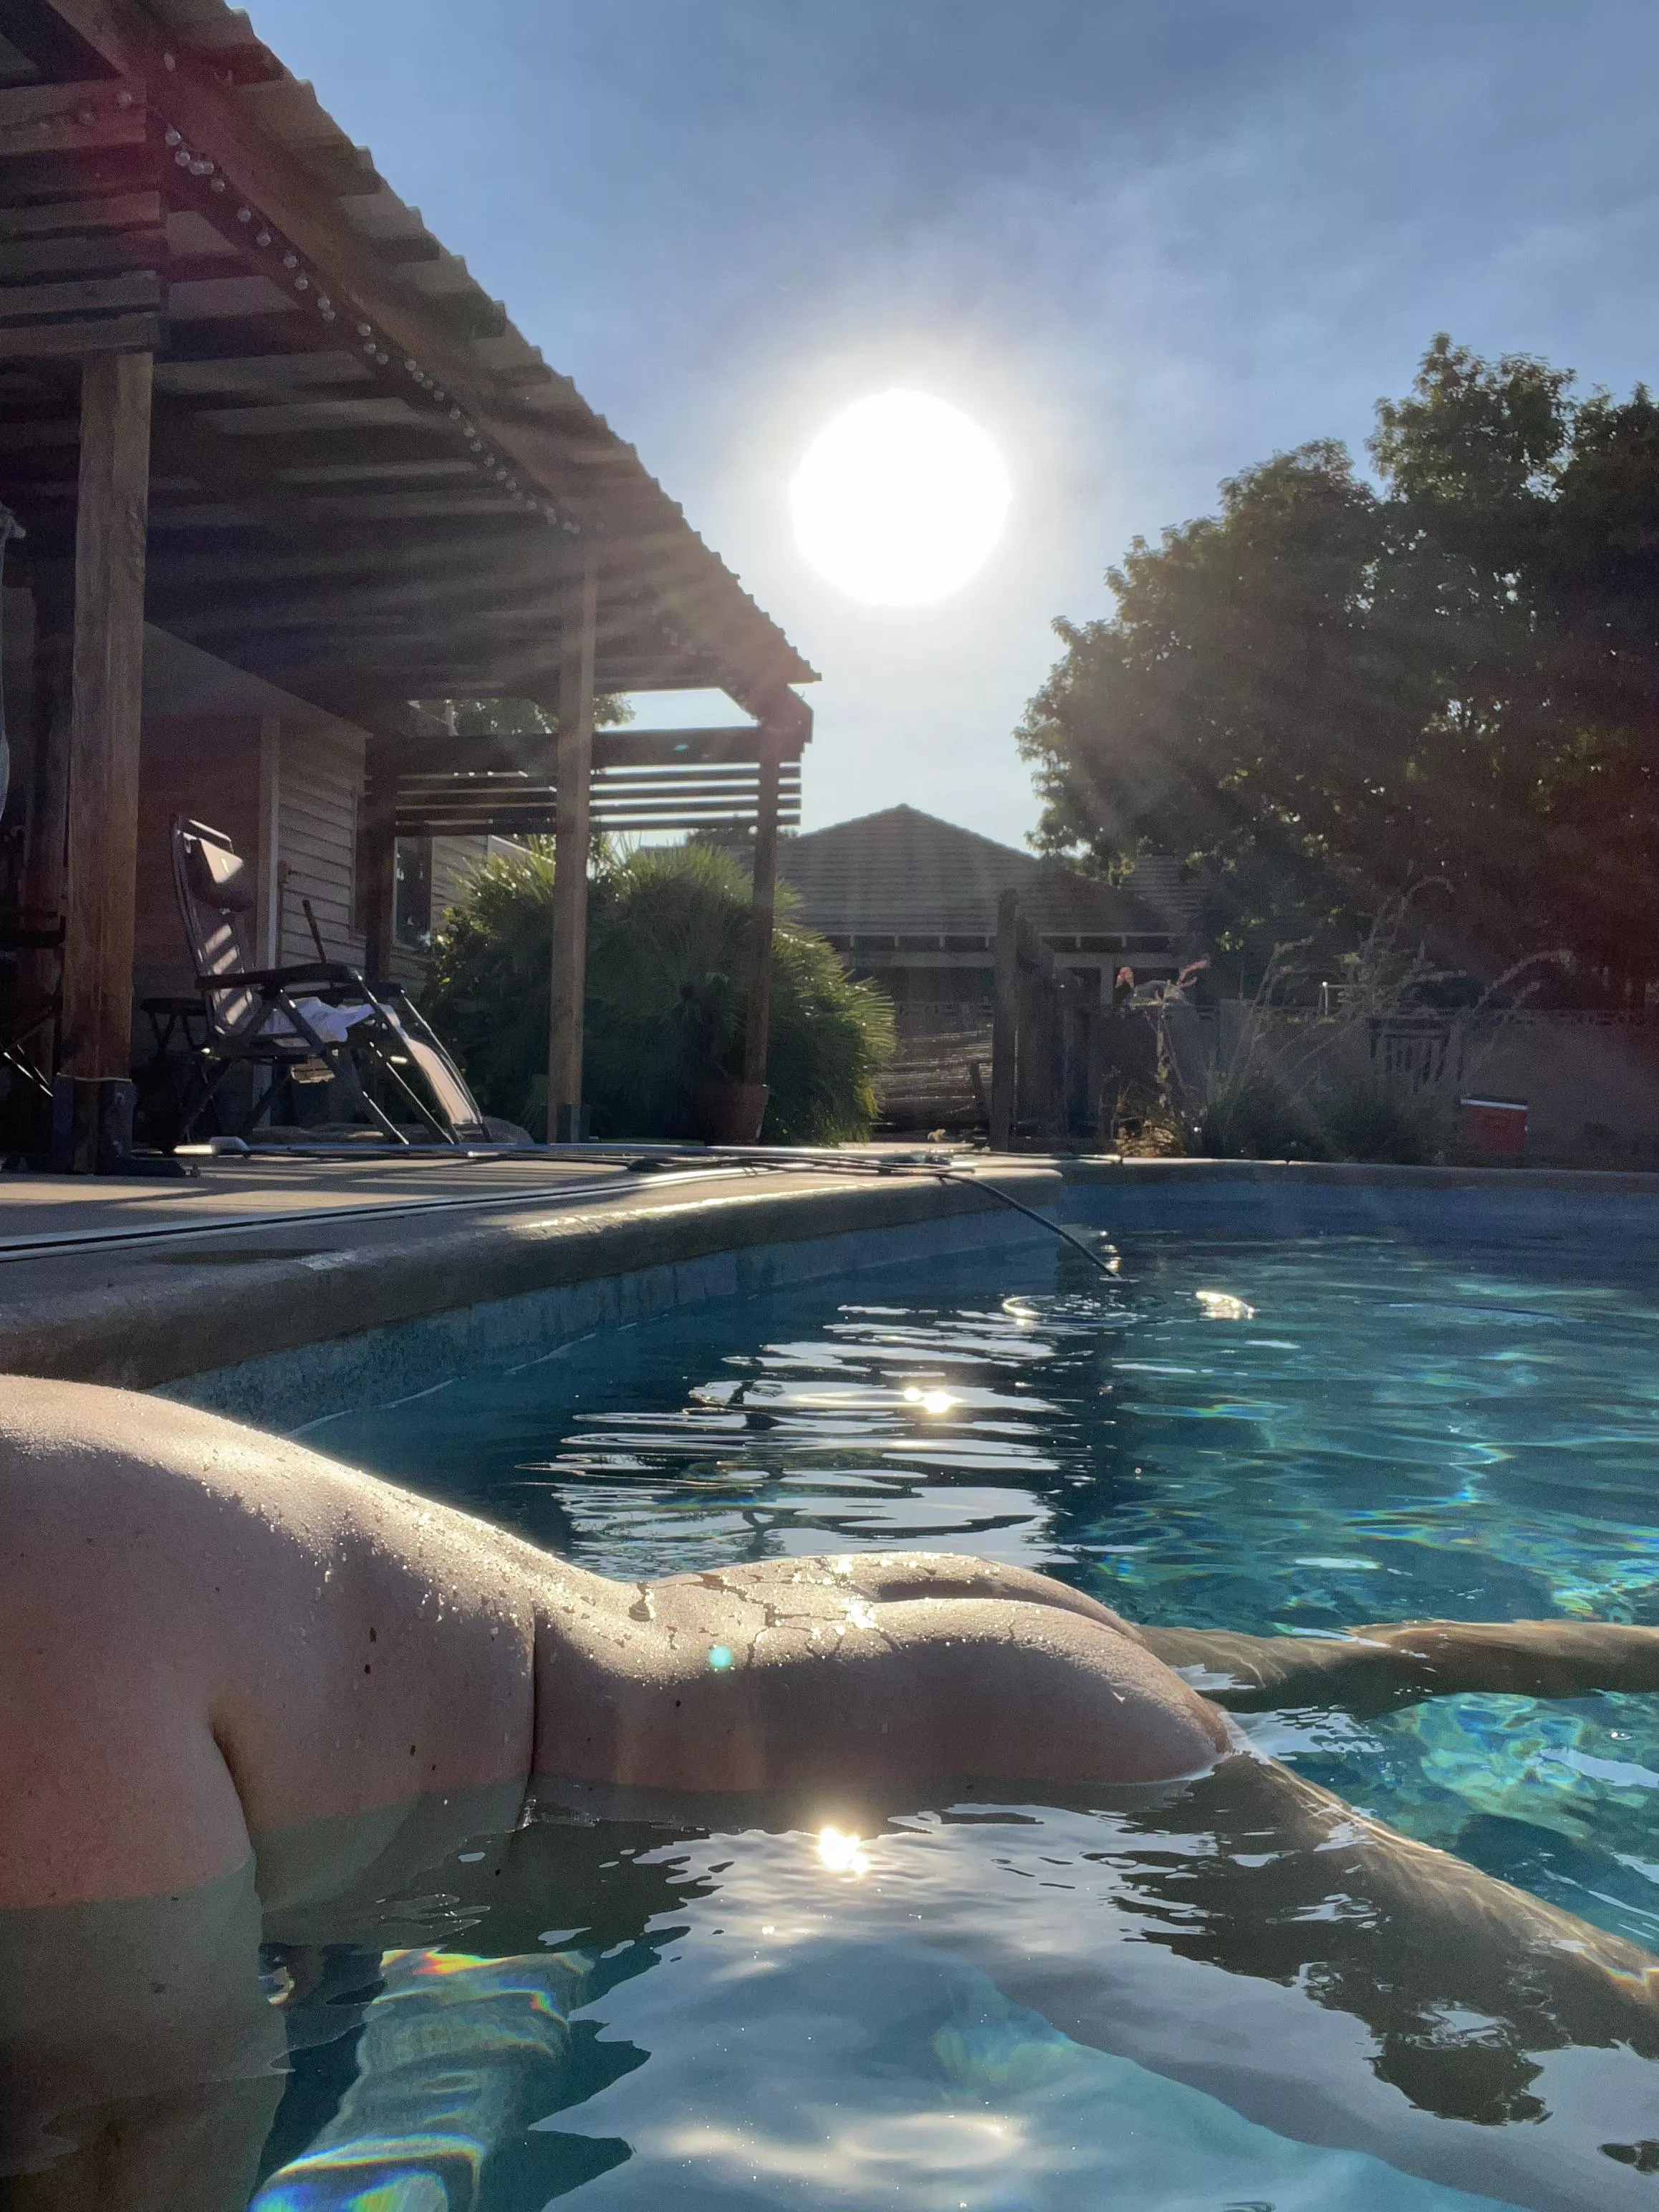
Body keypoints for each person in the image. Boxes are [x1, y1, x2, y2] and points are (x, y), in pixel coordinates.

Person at [4, 1377, 1659, 2208]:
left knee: (1598, 2106)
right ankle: (1573, 1648)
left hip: (940, 1748)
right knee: (1364, 1668)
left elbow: (149, 2109)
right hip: (803, 1619)